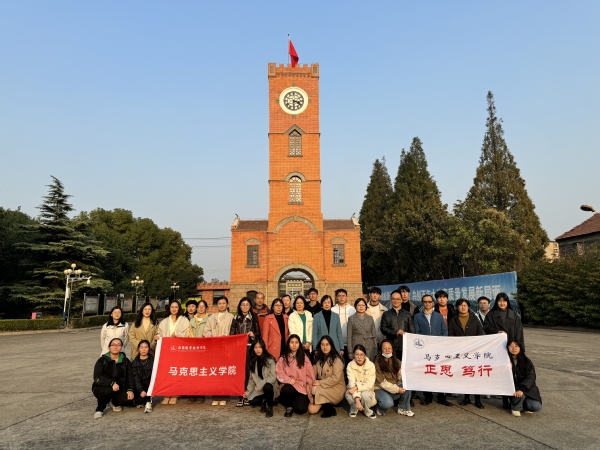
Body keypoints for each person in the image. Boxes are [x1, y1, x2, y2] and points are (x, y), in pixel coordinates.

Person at [413, 294, 451, 407]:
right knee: (427, 372)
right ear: (422, 303)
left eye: (429, 301)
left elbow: (444, 331)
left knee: (440, 372)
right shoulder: (417, 317)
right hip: (425, 349)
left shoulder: (439, 316)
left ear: (433, 303)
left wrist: (440, 343)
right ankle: (428, 397)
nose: (427, 303)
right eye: (425, 302)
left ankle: (441, 397)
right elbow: (417, 332)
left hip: (438, 349)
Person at [448, 298, 485, 409]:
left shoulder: (474, 318)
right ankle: (466, 397)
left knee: (475, 376)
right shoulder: (454, 320)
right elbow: (451, 335)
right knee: (465, 374)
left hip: (474, 352)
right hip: (461, 353)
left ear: (468, 307)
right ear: (457, 307)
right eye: (460, 305)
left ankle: (477, 399)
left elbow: (480, 333)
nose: (463, 307)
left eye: (465, 305)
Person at [156, 299, 190, 405]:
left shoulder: (185, 320)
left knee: (177, 373)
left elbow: (187, 334)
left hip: (179, 351)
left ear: (179, 308)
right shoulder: (164, 321)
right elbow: (160, 333)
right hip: (167, 352)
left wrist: (178, 335)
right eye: (172, 307)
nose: (174, 309)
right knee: (167, 373)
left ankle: (175, 394)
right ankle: (166, 395)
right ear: (169, 308)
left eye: (176, 307)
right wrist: (158, 337)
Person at [230, 297, 262, 407]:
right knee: (240, 372)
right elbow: (231, 334)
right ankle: (240, 395)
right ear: (239, 306)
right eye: (243, 305)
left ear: (250, 306)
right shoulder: (236, 318)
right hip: (239, 349)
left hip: (250, 348)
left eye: (247, 305)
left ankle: (247, 394)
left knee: (249, 372)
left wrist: (253, 335)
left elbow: (258, 333)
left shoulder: (254, 317)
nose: (245, 307)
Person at [92, 338, 134, 418]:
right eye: (113, 345)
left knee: (128, 400)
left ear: (121, 347)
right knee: (107, 391)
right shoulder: (102, 360)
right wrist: (111, 383)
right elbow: (97, 377)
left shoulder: (125, 361)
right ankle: (99, 409)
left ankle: (113, 401)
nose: (116, 347)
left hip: (119, 387)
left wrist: (130, 390)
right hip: (102, 386)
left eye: (118, 345)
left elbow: (130, 377)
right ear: (109, 347)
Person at [203, 296, 234, 406]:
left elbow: (233, 331)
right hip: (214, 348)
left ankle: (224, 396)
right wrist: (211, 336)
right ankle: (215, 396)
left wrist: (227, 337)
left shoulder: (231, 317)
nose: (221, 305)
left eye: (223, 303)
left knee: (224, 372)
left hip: (226, 348)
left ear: (227, 304)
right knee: (215, 372)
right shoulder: (212, 317)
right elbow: (206, 331)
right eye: (219, 303)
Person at [276, 334, 315, 417]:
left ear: (299, 344)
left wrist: (308, 386)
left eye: (296, 342)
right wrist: (288, 379)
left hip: (301, 386)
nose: (294, 345)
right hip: (290, 385)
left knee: (301, 409)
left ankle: (296, 400)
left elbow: (310, 374)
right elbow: (279, 372)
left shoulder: (304, 358)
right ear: (288, 344)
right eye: (292, 342)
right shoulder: (283, 358)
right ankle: (289, 405)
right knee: (286, 389)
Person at [373, 339, 414, 417]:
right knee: (388, 403)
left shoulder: (396, 361)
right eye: (385, 348)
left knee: (407, 385)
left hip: (393, 387)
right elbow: (382, 384)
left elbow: (401, 377)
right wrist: (397, 389)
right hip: (380, 389)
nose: (387, 350)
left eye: (389, 348)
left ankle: (403, 408)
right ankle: (380, 408)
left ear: (392, 350)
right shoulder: (376, 363)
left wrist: (400, 375)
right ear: (381, 350)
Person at [308, 335, 345, 418]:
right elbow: (312, 375)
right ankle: (328, 405)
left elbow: (336, 378)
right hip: (323, 388)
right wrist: (308, 385)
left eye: (327, 344)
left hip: (336, 388)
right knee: (311, 410)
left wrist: (320, 382)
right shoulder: (318, 359)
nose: (325, 347)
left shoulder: (336, 360)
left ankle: (328, 407)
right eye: (322, 344)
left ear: (331, 346)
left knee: (315, 389)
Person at [244, 338, 280, 418]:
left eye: (260, 347)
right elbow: (251, 380)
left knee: (267, 386)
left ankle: (270, 407)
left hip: (271, 387)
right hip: (260, 389)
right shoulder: (253, 361)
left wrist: (260, 384)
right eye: (256, 347)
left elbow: (273, 377)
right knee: (252, 402)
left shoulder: (270, 360)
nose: (258, 350)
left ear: (263, 348)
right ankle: (265, 401)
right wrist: (247, 392)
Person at [508, 339, 542, 417]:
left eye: (516, 346)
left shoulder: (526, 361)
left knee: (536, 406)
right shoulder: (505, 360)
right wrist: (507, 368)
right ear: (507, 347)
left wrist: (523, 389)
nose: (514, 348)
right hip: (512, 388)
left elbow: (531, 377)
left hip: (526, 389)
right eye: (511, 346)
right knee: (519, 393)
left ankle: (522, 404)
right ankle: (515, 408)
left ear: (520, 347)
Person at [188, 299, 211, 404]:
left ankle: (201, 395)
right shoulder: (192, 320)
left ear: (206, 308)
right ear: (197, 308)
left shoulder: (209, 319)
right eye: (199, 306)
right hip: (193, 350)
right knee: (193, 372)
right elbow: (189, 333)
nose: (201, 308)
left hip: (205, 350)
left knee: (202, 372)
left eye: (203, 306)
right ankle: (192, 394)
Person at [380, 290, 414, 360]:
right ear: (390, 300)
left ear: (401, 300)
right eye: (393, 299)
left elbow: (412, 331)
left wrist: (405, 334)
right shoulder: (386, 314)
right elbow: (383, 328)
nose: (396, 301)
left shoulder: (407, 314)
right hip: (391, 346)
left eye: (398, 299)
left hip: (404, 345)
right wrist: (395, 333)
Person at [345, 344, 377, 419]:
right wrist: (357, 400)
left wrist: (356, 387)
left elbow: (369, 384)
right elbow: (351, 384)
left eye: (361, 354)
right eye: (357, 354)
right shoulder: (350, 365)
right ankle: (354, 409)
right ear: (353, 355)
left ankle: (367, 410)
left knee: (365, 395)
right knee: (349, 394)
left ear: (365, 356)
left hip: (366, 390)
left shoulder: (371, 365)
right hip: (353, 390)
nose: (359, 357)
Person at [331, 288, 356, 364]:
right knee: (337, 363)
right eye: (339, 296)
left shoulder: (352, 309)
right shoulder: (332, 310)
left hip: (350, 342)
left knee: (350, 363)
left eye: (343, 296)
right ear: (336, 297)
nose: (341, 298)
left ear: (346, 297)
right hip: (336, 342)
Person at [131, 340, 154, 413]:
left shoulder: (154, 361)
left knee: (148, 381)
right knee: (138, 401)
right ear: (138, 349)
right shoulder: (134, 363)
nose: (144, 349)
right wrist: (140, 390)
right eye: (141, 347)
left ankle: (148, 402)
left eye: (146, 347)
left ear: (149, 349)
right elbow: (135, 378)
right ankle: (144, 399)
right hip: (139, 386)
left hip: (149, 385)